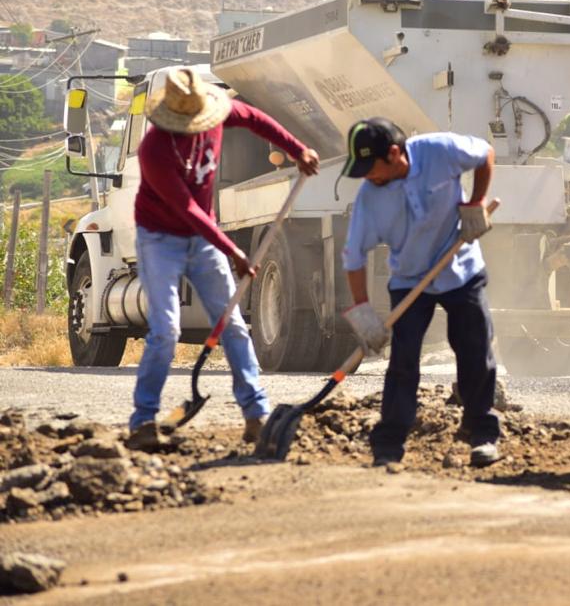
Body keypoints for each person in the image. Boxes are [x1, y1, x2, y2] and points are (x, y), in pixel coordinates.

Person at [126, 67, 320, 451]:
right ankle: (143, 421)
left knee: (233, 325)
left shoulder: (216, 112)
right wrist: (233, 250)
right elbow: (186, 209)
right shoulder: (154, 148)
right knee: (166, 331)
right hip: (161, 238)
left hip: (202, 241)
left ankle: (255, 414)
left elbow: (256, 119)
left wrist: (298, 150)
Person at [339, 117, 500, 468]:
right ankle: (389, 444)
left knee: (474, 351)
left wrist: (476, 202)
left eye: (371, 167)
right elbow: (353, 256)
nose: (368, 176)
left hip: (460, 267)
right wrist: (363, 311)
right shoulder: (370, 197)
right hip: (410, 279)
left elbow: (485, 154)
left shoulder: (438, 150)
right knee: (403, 361)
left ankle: (481, 431)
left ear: (395, 153)